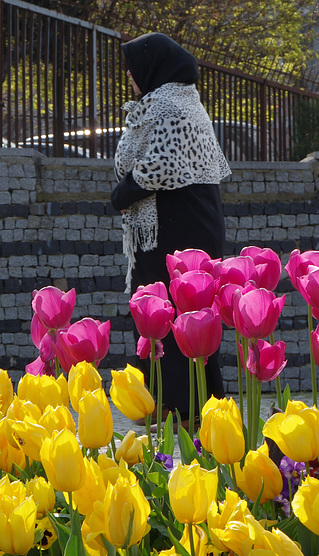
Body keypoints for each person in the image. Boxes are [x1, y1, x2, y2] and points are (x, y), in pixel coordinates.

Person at [111, 32, 231, 419]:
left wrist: (122, 194)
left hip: (177, 228)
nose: (129, 78)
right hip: (182, 223)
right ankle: (187, 403)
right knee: (179, 316)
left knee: (173, 315)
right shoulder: (177, 101)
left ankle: (177, 405)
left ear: (152, 68)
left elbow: (158, 166)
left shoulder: (167, 105)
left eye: (132, 70)